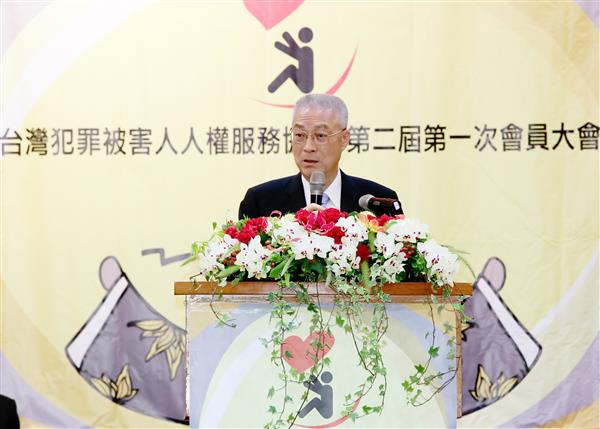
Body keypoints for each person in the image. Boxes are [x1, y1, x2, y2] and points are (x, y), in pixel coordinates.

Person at [238, 94, 401, 219]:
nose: (308, 147)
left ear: (344, 139)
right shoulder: (260, 201)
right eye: (300, 135)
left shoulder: (378, 201)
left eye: (321, 135)